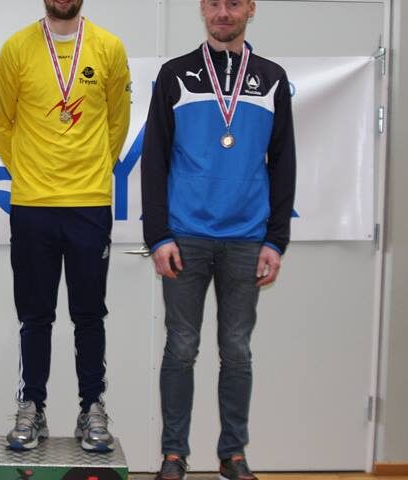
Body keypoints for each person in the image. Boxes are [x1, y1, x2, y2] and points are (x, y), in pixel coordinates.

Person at [140, 0, 296, 478]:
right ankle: (173, 455)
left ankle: (233, 454)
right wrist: (158, 235)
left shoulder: (271, 78)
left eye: (233, 3)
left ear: (250, 8)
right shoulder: (175, 74)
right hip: (185, 237)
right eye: (213, 3)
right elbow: (154, 158)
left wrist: (276, 240)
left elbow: (284, 162)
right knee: (181, 348)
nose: (223, 13)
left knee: (237, 351)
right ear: (202, 9)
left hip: (247, 238)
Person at [0, 0, 131, 453]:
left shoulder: (109, 47)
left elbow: (117, 121)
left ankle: (92, 408)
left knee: (89, 314)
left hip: (89, 204)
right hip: (33, 205)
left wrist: (94, 170)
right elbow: (0, 123)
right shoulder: (16, 48)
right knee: (35, 315)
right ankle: (32, 406)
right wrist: (29, 172)